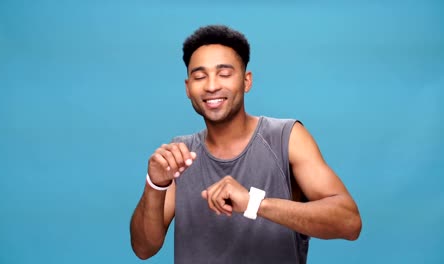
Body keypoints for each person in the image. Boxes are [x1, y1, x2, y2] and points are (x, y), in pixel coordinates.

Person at [130, 24, 362, 264]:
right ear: (188, 88)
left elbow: (349, 222)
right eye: (200, 76)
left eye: (224, 74)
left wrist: (254, 203)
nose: (211, 86)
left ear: (246, 81)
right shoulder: (180, 155)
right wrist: (155, 184)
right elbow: (144, 248)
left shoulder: (287, 137)